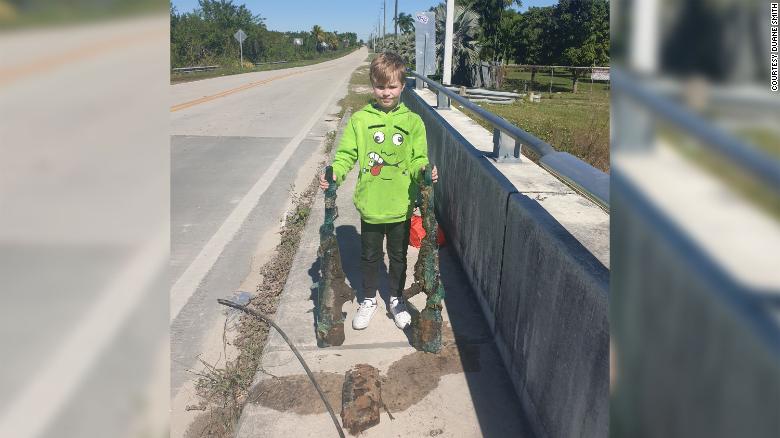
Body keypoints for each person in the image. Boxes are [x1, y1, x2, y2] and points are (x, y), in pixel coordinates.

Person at [319, 52, 438, 330]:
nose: (386, 93)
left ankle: (396, 298)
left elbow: (419, 157)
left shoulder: (413, 122)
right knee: (370, 256)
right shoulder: (361, 120)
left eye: (392, 86)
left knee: (398, 257)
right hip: (371, 205)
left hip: (401, 205)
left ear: (402, 86)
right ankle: (369, 298)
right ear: (373, 85)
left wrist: (426, 170)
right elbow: (346, 154)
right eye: (381, 86)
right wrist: (335, 172)